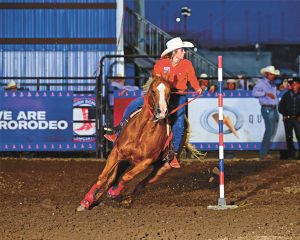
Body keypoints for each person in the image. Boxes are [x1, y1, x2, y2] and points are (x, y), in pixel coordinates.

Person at [104, 37, 202, 168]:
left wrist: (198, 88)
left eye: (183, 50)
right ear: (174, 52)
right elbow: (155, 78)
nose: (184, 52)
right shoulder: (161, 64)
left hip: (179, 96)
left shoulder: (187, 65)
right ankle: (118, 132)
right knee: (133, 105)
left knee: (179, 124)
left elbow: (193, 79)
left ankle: (173, 154)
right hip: (161, 94)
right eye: (181, 50)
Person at [252, 66, 280, 160]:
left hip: (273, 108)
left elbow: (275, 95)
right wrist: (265, 94)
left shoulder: (272, 84)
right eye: (271, 74)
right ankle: (263, 154)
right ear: (267, 74)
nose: (273, 76)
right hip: (267, 109)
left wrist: (279, 91)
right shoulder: (261, 83)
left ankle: (264, 153)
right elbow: (254, 93)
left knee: (271, 131)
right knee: (269, 131)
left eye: (273, 74)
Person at [278, 78, 300, 159]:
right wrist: (284, 114)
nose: (294, 85)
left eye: (296, 84)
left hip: (298, 119)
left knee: (299, 136)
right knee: (289, 137)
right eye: (292, 84)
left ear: (299, 85)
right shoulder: (287, 95)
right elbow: (281, 107)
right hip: (288, 118)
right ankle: (292, 155)